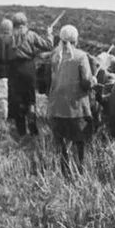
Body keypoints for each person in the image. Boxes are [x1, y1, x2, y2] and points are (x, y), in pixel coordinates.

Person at [47, 24, 94, 177]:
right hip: (76, 109)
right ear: (76, 39)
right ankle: (80, 173)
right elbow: (86, 81)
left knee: (61, 146)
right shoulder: (81, 56)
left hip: (56, 108)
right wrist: (92, 81)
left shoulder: (54, 55)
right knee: (79, 143)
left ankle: (65, 173)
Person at [5, 11, 54, 137]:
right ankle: (33, 130)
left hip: (14, 70)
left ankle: (21, 131)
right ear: (25, 22)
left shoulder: (8, 37)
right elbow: (49, 46)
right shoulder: (31, 35)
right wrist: (49, 34)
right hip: (28, 69)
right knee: (30, 99)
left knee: (17, 99)